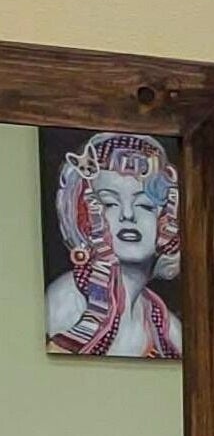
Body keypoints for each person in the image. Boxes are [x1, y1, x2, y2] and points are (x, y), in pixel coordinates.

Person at [45, 131, 182, 357]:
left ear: (166, 219)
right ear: (84, 215)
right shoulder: (64, 300)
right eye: (109, 203)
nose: (127, 215)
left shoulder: (166, 326)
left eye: (145, 206)